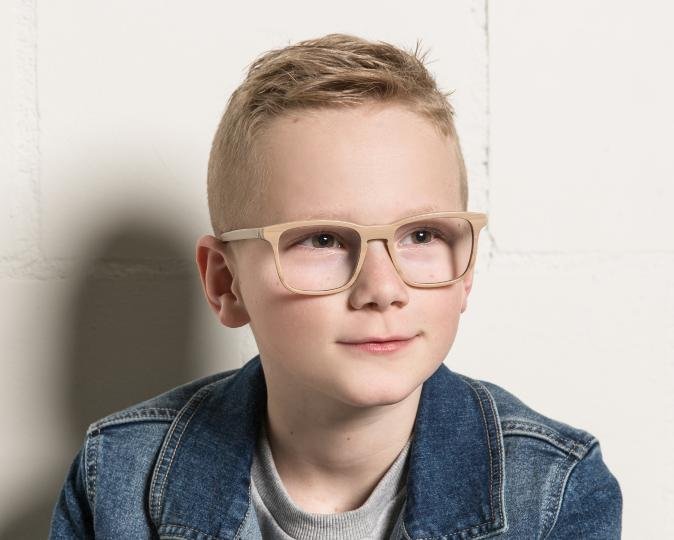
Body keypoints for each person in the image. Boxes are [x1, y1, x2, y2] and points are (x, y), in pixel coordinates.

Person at [49, 33, 622, 539]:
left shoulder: (554, 489)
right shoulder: (116, 480)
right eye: (322, 240)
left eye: (422, 235)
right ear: (227, 282)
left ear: (465, 270)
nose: (383, 289)